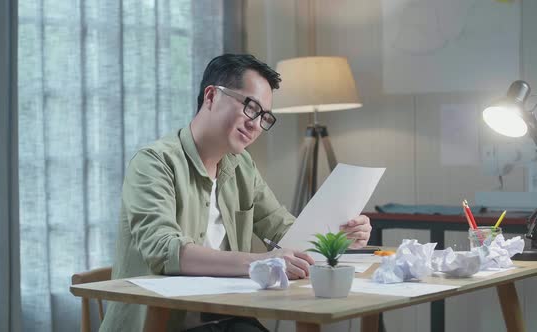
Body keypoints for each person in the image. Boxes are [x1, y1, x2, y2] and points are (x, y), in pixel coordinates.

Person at [99, 54, 372, 332]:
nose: (255, 124)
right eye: (250, 107)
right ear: (211, 96)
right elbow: (164, 251)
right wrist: (261, 260)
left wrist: (339, 237)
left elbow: (285, 232)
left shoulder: (242, 166)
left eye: (265, 117)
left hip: (227, 317)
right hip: (164, 321)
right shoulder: (154, 163)